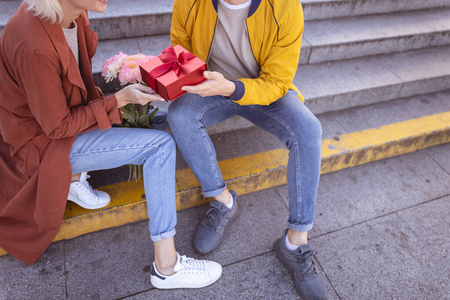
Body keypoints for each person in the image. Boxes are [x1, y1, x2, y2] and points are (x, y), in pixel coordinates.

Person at [0, 0, 222, 289]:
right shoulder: (35, 44)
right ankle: (167, 268)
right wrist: (120, 99)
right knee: (161, 147)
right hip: (43, 146)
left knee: (152, 125)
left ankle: (74, 180)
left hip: (49, 127)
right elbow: (58, 127)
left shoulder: (71, 13)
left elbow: (67, 90)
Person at [169, 0, 327, 298]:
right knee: (179, 114)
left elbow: (279, 80)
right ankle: (224, 202)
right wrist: (167, 80)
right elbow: (181, 53)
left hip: (265, 90)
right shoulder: (189, 2)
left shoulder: (285, 6)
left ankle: (295, 241)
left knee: (308, 129)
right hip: (210, 88)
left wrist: (234, 88)